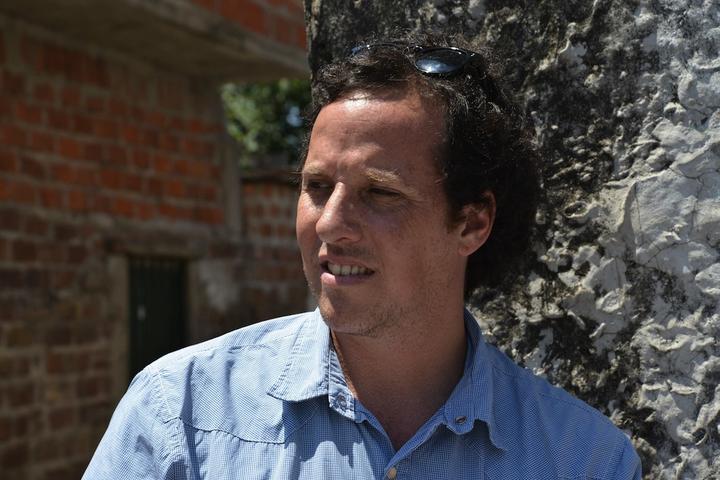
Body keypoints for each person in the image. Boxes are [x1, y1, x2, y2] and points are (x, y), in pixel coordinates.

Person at [83, 32, 641, 479]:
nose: (329, 223)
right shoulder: (181, 412)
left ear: (472, 222)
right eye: (317, 187)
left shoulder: (584, 461)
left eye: (380, 193)